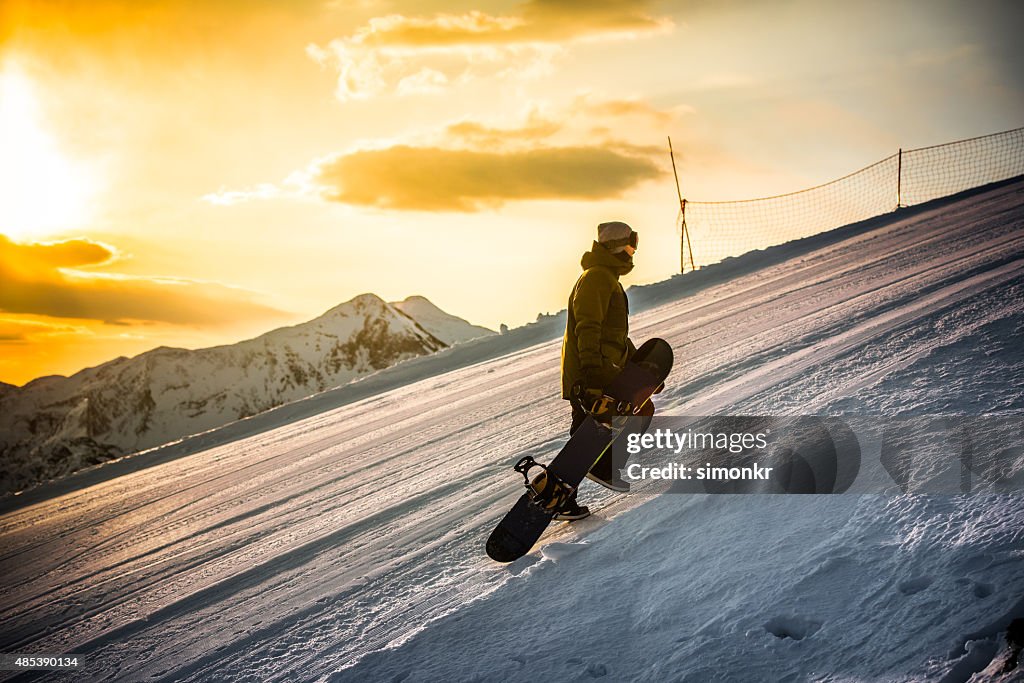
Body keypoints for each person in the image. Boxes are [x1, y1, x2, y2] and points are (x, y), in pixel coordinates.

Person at [555, 221, 640, 521]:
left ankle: (562, 496)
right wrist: (590, 376)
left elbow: (613, 335)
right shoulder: (596, 279)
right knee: (595, 428)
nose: (633, 253)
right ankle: (600, 469)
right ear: (616, 247)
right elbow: (588, 328)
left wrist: (637, 363)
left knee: (587, 431)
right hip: (592, 371)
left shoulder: (607, 279)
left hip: (602, 367)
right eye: (630, 246)